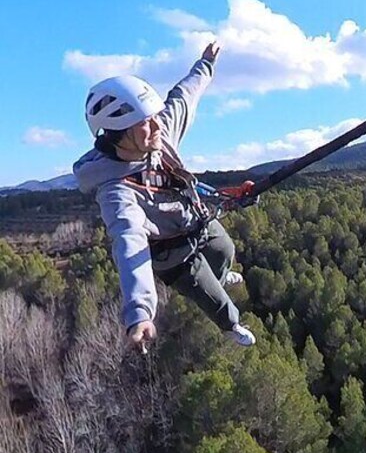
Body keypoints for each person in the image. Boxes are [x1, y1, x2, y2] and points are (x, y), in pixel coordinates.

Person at [73, 42, 256, 350]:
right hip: (174, 256)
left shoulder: (159, 135)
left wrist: (206, 64)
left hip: (194, 222)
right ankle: (232, 326)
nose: (157, 126)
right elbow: (130, 246)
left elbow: (185, 96)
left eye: (155, 117)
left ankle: (221, 277)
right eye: (145, 122)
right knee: (213, 298)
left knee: (225, 248)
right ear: (118, 133)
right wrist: (140, 312)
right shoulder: (116, 192)